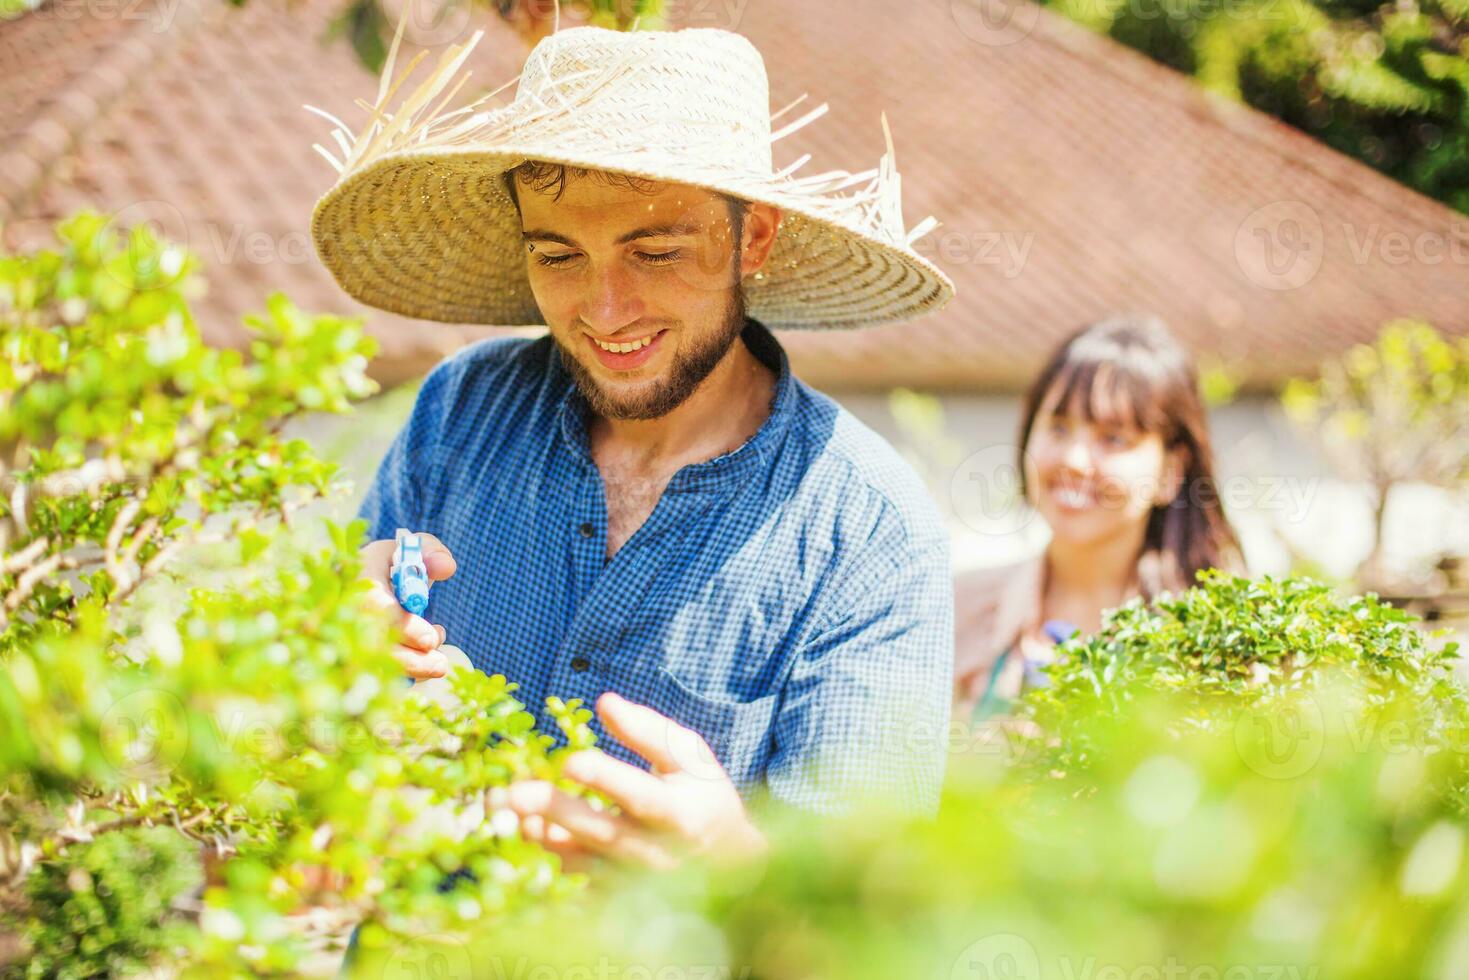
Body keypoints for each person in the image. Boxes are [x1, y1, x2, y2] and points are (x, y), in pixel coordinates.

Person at [308, 17, 957, 870]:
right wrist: (328, 645)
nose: (604, 311)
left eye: (654, 251)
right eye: (558, 255)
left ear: (752, 236)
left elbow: (865, 917)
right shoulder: (459, 411)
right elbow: (324, 733)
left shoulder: (869, 532)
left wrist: (732, 862)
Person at [953, 314, 1244, 725]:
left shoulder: (1216, 643)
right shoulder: (955, 610)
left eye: (1114, 438)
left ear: (1170, 472)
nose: (1074, 460)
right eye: (1058, 427)